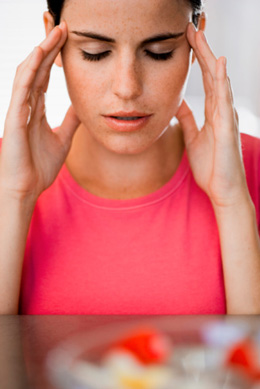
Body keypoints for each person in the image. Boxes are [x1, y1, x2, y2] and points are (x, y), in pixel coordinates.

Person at [0, 0, 259, 315]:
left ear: (196, 38)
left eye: (159, 52)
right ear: (53, 39)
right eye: (95, 52)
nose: (127, 88)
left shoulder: (249, 169)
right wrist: (15, 196)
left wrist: (232, 201)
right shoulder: (9, 173)